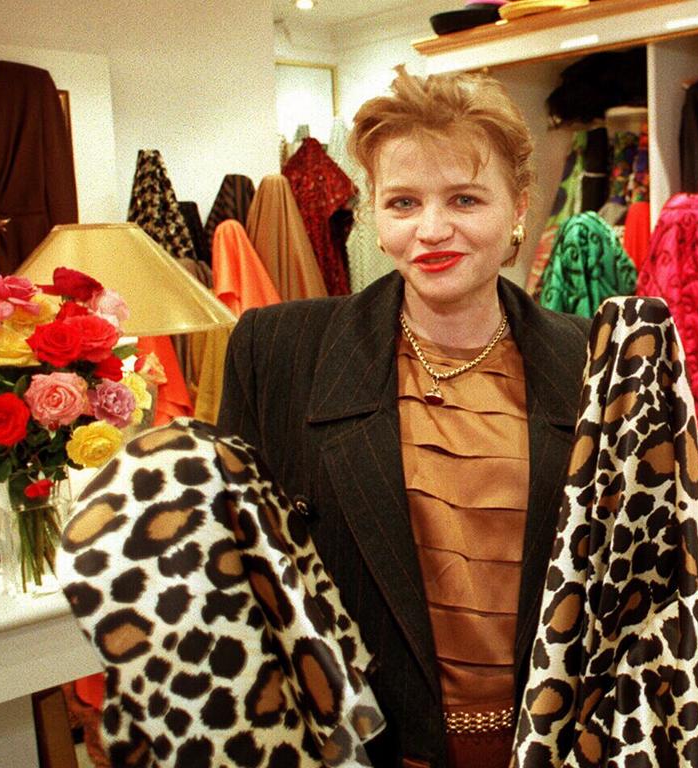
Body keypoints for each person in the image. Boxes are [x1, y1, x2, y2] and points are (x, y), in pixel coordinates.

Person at [218, 67, 590, 768]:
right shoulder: (279, 353)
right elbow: (240, 579)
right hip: (364, 748)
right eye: (403, 201)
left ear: (519, 208)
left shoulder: (589, 360)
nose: (432, 230)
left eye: (465, 198)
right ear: (372, 215)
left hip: (552, 746)